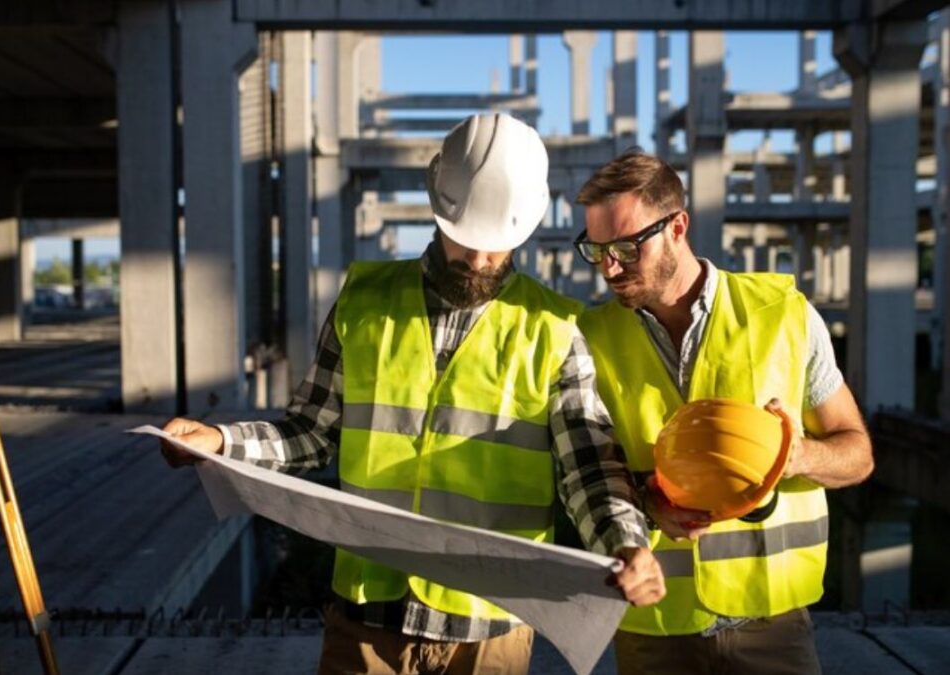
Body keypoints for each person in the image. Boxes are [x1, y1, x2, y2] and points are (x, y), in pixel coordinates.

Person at [159, 114, 664, 675]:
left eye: (496, 249)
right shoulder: (365, 300)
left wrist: (626, 541)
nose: (478, 261)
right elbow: (310, 434)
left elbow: (587, 467)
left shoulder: (554, 327)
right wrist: (221, 442)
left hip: (488, 630)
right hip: (366, 620)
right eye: (466, 240)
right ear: (437, 206)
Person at [572, 150, 874, 675]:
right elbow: (585, 472)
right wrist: (646, 502)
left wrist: (797, 455)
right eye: (595, 250)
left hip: (771, 625)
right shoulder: (589, 339)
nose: (609, 267)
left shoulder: (783, 314)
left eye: (624, 246)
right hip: (655, 626)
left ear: (677, 227)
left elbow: (859, 455)